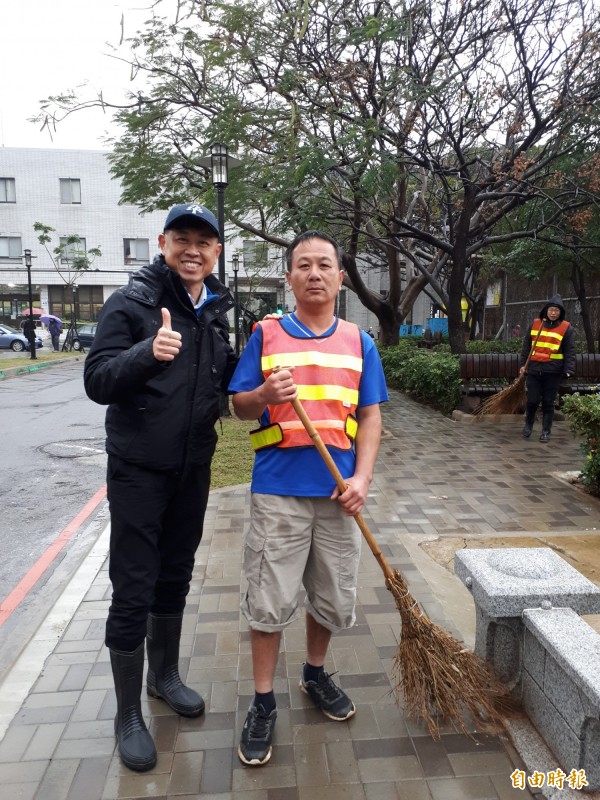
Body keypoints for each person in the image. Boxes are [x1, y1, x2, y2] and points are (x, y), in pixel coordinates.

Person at [84, 203, 238, 772]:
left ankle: (164, 677)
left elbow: (219, 382)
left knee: (175, 574)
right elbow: (97, 379)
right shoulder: (133, 302)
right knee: (134, 586)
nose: (193, 249)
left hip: (193, 467)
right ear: (163, 242)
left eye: (205, 240)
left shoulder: (215, 310)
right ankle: (128, 714)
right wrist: (145, 354)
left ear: (217, 251)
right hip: (138, 471)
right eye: (183, 238)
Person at [229, 230, 388, 766]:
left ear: (341, 278)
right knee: (269, 600)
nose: (315, 273)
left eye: (325, 265)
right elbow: (239, 408)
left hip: (340, 494)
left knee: (331, 595)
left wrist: (362, 479)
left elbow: (370, 416)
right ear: (290, 277)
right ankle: (262, 701)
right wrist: (262, 395)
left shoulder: (359, 341)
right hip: (278, 493)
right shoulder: (266, 335)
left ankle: (315, 674)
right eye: (304, 265)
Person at [519, 294, 576, 442]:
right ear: (546, 310)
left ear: (560, 312)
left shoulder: (566, 328)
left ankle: (545, 431)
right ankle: (528, 425)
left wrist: (569, 370)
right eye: (551, 309)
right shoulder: (535, 324)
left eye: (556, 310)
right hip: (533, 370)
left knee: (548, 402)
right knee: (532, 400)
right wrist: (522, 365)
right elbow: (526, 347)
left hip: (553, 371)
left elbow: (570, 350)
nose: (553, 312)